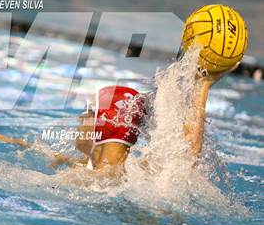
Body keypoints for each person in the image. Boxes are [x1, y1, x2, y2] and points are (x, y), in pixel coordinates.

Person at [52, 68, 233, 172]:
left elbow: (187, 156)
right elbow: (186, 152)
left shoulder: (85, 181)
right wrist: (202, 86)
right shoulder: (136, 172)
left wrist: (204, 85)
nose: (80, 119)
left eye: (88, 114)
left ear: (103, 126)